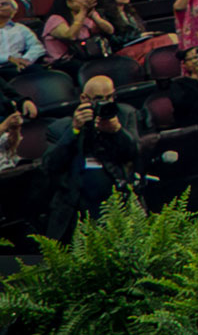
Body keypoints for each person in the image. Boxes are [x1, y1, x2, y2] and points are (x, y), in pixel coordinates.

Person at [41, 73, 144, 235]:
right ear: (84, 98)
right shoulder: (60, 128)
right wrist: (75, 130)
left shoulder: (124, 115)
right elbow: (50, 165)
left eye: (109, 97)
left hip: (118, 198)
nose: (105, 103)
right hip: (78, 205)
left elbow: (135, 155)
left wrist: (117, 131)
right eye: (98, 99)